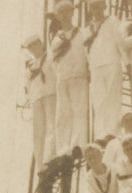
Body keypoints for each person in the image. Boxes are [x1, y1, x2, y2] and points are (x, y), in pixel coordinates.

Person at [50, 1, 89, 156]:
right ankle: (63, 149)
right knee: (63, 114)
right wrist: (60, 76)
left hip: (79, 77)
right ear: (58, 17)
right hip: (63, 79)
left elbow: (87, 54)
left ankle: (78, 145)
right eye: (61, 13)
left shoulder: (81, 33)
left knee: (79, 111)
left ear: (72, 13)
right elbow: (54, 62)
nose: (65, 16)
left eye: (67, 11)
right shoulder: (56, 39)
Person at [86, 0, 127, 138]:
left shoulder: (112, 21)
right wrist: (88, 68)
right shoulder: (88, 28)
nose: (96, 10)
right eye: (93, 7)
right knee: (98, 102)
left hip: (112, 63)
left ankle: (112, 133)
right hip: (95, 67)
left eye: (98, 6)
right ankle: (100, 135)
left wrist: (127, 63)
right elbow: (86, 51)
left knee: (113, 100)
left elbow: (120, 43)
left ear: (104, 6)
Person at [22, 34, 55, 168]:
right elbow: (27, 86)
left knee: (52, 126)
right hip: (36, 99)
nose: (33, 48)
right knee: (38, 132)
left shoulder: (50, 57)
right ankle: (40, 164)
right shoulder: (29, 66)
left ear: (41, 44)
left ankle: (51, 156)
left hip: (50, 94)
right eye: (30, 47)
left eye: (35, 44)